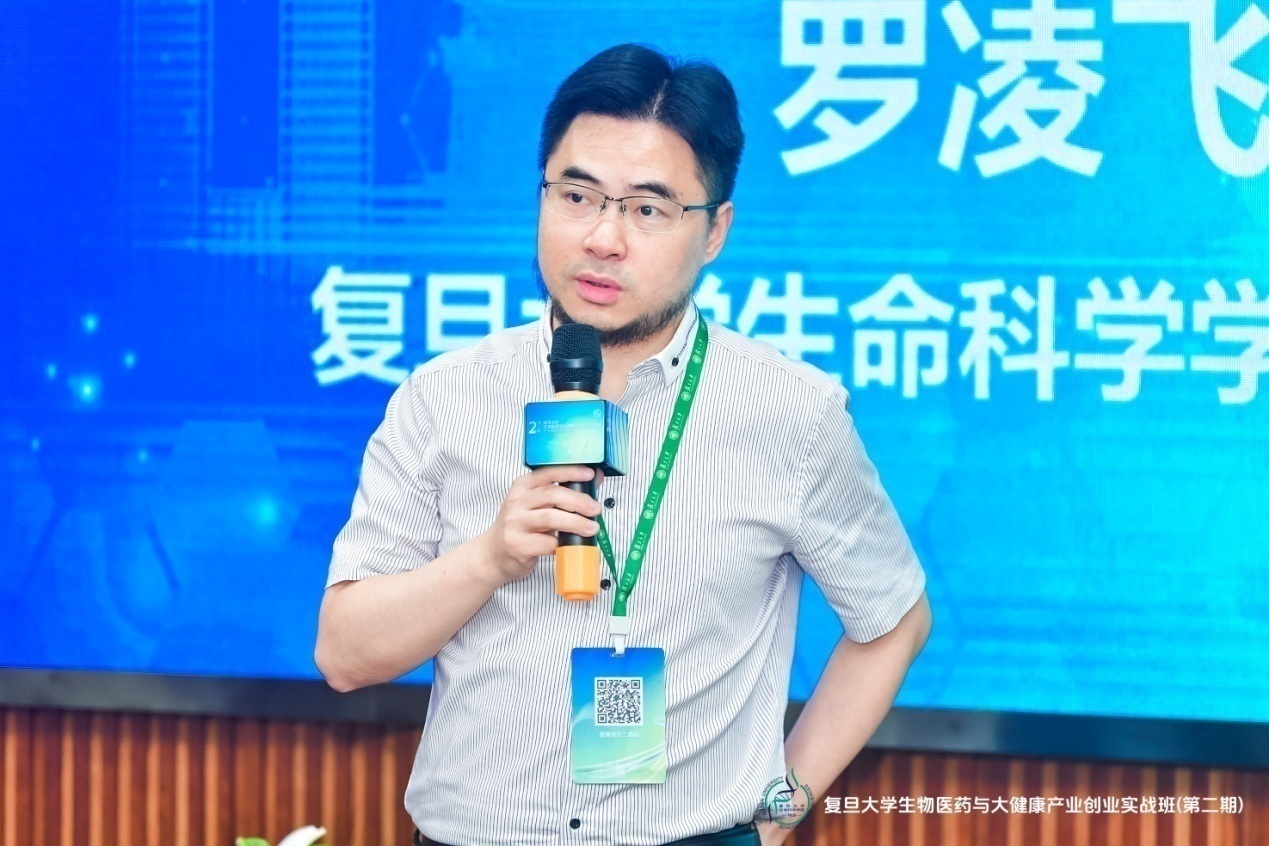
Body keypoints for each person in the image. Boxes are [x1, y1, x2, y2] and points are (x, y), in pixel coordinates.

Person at [315, 43, 932, 846]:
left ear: (713, 232)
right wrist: (489, 558)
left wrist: (775, 816)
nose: (602, 238)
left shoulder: (792, 415)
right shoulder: (444, 398)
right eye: (576, 196)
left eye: (647, 209)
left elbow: (892, 621)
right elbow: (345, 655)